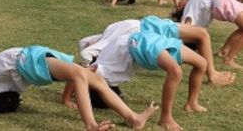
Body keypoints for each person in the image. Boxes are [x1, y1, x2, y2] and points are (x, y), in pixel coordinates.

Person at [73, 16, 233, 131]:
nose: (117, 94)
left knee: (198, 65)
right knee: (187, 68)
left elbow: (79, 73)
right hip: (140, 41)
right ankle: (166, 117)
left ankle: (191, 104)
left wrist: (66, 98)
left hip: (136, 40)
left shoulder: (101, 70)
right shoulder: (106, 73)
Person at [0, 45, 158, 130]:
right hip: (30, 61)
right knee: (80, 76)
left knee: (96, 81)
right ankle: (91, 125)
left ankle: (133, 118)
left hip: (36, 67)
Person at [173, 0, 243, 68]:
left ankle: (225, 52)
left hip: (210, 0)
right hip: (211, 0)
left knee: (190, 29)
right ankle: (229, 59)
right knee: (187, 28)